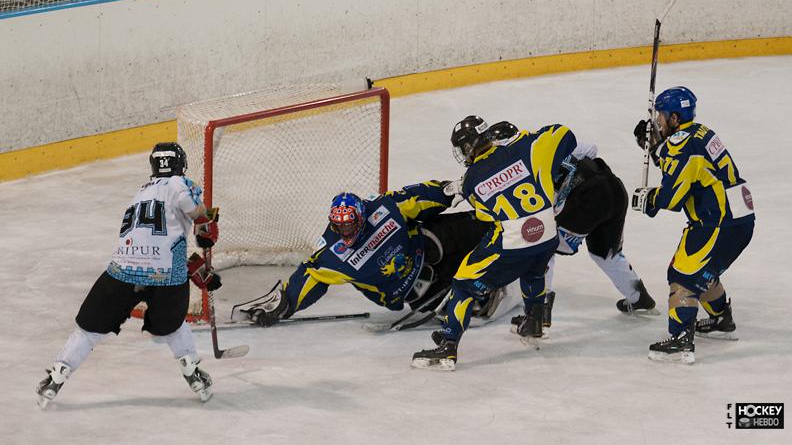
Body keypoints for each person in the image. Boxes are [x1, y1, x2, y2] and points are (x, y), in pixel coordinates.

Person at [36, 143, 222, 408]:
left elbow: (149, 238)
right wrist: (204, 240)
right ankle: (193, 374)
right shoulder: (180, 183)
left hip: (123, 271)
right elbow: (202, 223)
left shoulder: (140, 193)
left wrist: (195, 259)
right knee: (173, 325)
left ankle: (56, 376)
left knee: (89, 330)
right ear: (180, 165)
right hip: (167, 277)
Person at [412, 115, 577, 371]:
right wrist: (525, 140)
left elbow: (486, 215)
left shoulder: (471, 181)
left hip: (513, 242)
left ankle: (448, 344)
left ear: (467, 147)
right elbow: (565, 134)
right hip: (546, 234)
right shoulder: (528, 147)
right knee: (533, 269)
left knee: (464, 285)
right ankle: (534, 320)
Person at [230, 185, 516, 329]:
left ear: (362, 217)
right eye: (338, 226)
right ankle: (478, 291)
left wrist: (456, 188)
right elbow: (310, 277)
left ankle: (517, 235)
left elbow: (422, 197)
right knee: (454, 290)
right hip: (410, 290)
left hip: (424, 249)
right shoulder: (332, 254)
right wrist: (283, 306)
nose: (344, 231)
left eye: (349, 224)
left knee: (476, 226)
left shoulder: (385, 207)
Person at [488, 121, 657, 330]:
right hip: (613, 187)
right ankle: (639, 297)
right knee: (605, 253)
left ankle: (539, 312)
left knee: (543, 247)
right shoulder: (543, 139)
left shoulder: (521, 168)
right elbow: (590, 149)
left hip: (588, 199)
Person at [632, 86, 755, 364]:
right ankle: (721, 320)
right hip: (739, 216)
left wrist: (648, 199)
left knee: (682, 276)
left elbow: (673, 197)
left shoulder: (680, 144)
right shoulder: (700, 132)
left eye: (661, 116)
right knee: (703, 269)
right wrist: (656, 149)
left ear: (675, 117)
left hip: (718, 222)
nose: (658, 122)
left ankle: (680, 340)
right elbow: (686, 169)